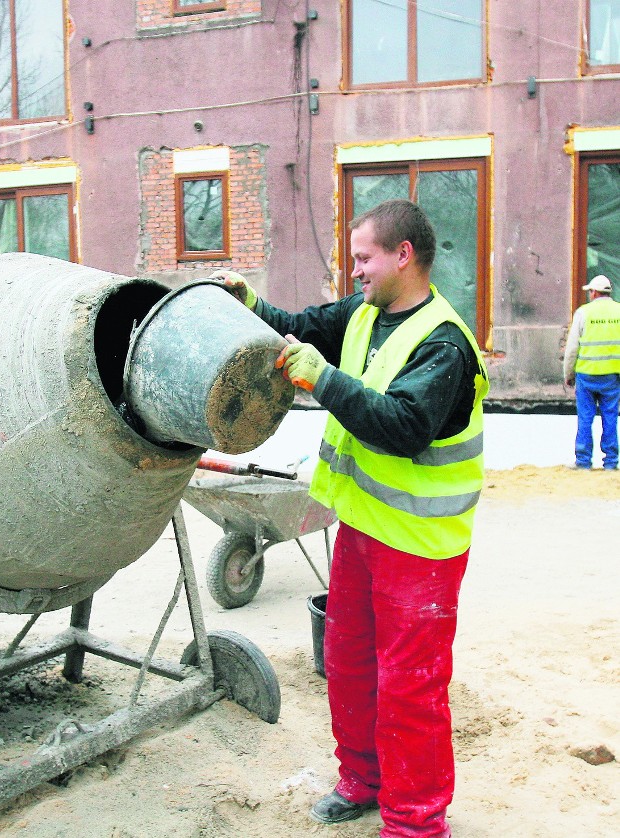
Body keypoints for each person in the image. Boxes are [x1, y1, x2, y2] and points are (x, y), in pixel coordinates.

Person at [211, 199, 489, 838]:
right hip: (364, 529)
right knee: (350, 662)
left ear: (403, 256)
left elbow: (402, 427)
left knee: (410, 688)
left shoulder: (444, 345)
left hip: (420, 547)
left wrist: (325, 382)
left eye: (364, 257)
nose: (355, 270)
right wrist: (248, 301)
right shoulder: (364, 313)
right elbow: (300, 325)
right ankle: (364, 779)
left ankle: (416, 822)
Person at [562, 274, 620, 470]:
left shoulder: (584, 313)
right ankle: (611, 462)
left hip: (586, 375)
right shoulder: (619, 311)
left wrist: (568, 374)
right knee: (610, 417)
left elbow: (572, 349)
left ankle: (583, 461)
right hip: (612, 375)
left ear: (594, 292)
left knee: (585, 418)